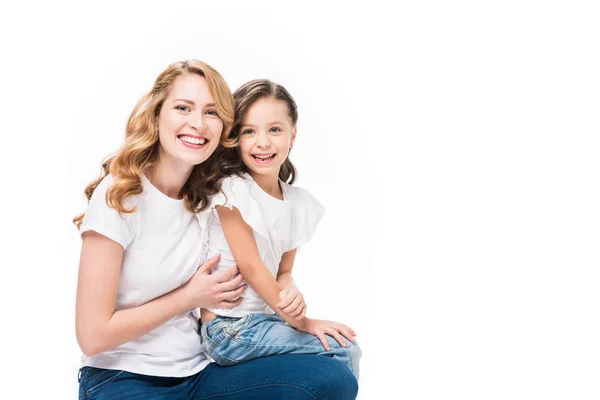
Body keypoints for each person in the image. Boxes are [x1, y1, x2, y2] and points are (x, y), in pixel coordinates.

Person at [74, 60, 358, 399]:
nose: (197, 123)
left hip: (199, 376)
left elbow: (274, 260)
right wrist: (190, 297)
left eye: (211, 112)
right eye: (183, 108)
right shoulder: (119, 195)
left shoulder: (210, 195)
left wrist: (289, 286)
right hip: (122, 378)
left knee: (332, 377)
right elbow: (92, 335)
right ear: (157, 114)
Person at [197, 79, 362, 378]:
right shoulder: (232, 191)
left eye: (274, 129)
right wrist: (303, 323)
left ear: (292, 135)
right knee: (342, 350)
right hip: (228, 328)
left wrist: (292, 293)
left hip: (266, 320)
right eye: (249, 131)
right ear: (236, 139)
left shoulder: (297, 203)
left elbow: (282, 272)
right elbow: (250, 267)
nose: (263, 142)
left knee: (345, 346)